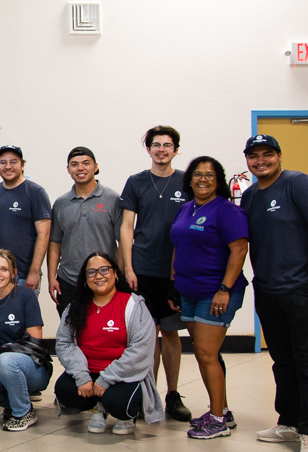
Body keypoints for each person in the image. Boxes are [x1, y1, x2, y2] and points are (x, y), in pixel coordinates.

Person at [240, 134, 308, 452]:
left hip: (304, 290)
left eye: (268, 154)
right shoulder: (250, 195)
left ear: (280, 156)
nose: (261, 160)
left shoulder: (298, 183)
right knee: (283, 361)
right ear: (247, 160)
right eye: (254, 156)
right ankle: (290, 423)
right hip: (269, 291)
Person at [170, 156, 249, 439]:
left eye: (210, 175)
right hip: (188, 291)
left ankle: (218, 421)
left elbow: (239, 250)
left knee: (205, 354)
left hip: (216, 293)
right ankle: (221, 409)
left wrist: (224, 290)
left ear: (219, 181)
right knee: (206, 355)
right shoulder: (186, 209)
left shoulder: (227, 211)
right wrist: (173, 283)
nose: (203, 180)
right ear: (189, 180)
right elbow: (178, 246)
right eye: (198, 175)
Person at [117, 126, 192, 422]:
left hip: (176, 271)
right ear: (148, 149)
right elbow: (126, 226)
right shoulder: (136, 182)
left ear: (176, 149)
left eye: (168, 145)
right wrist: (128, 267)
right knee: (146, 337)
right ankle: (148, 394)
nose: (162, 149)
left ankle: (173, 395)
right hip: (143, 270)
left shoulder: (187, 181)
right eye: (156, 145)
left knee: (171, 332)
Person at [54, 252, 163, 435]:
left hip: (124, 375)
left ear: (115, 274)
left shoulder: (133, 305)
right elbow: (64, 343)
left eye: (104, 270)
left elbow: (142, 350)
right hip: (89, 374)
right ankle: (98, 407)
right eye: (92, 272)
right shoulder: (76, 307)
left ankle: (127, 416)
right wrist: (82, 375)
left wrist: (107, 378)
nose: (98, 275)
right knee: (64, 390)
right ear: (85, 279)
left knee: (117, 403)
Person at [0, 250, 49, 432]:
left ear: (13, 273)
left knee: (6, 361)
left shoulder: (25, 297)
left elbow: (34, 344)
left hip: (33, 369)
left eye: (4, 269)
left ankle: (23, 412)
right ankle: (15, 400)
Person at [48, 146, 123, 316]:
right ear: (68, 169)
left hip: (104, 280)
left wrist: (122, 274)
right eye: (74, 164)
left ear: (95, 167)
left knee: (104, 332)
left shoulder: (112, 199)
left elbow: (123, 240)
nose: (80, 168)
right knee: (71, 333)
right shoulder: (61, 203)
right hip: (68, 281)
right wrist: (52, 277)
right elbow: (54, 243)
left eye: (86, 163)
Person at [0, 145, 52, 292]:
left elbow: (44, 234)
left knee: (21, 315)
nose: (8, 166)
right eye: (3, 162)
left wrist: (34, 271)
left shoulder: (36, 192)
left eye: (13, 162)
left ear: (22, 165)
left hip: (23, 275)